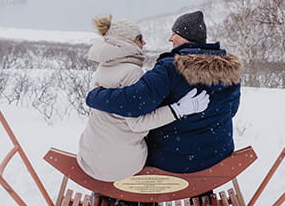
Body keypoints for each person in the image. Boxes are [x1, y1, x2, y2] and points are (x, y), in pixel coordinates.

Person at [86, 10, 243, 173]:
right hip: (217, 157)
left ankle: (123, 196)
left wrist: (95, 96)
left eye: (174, 33)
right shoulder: (230, 70)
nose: (170, 38)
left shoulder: (170, 68)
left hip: (172, 159)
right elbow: (232, 111)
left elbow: (133, 104)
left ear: (185, 36)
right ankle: (202, 192)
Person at [77, 14, 209, 182]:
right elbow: (138, 123)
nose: (144, 43)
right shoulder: (132, 72)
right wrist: (178, 110)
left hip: (89, 160)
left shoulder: (102, 68)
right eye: (140, 39)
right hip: (123, 165)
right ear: (127, 42)